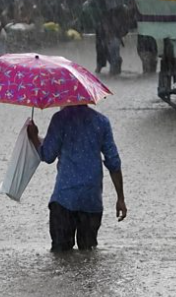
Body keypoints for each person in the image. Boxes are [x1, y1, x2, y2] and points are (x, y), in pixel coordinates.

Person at [26, 105, 127, 252]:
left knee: (61, 256)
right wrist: (120, 198)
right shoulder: (102, 122)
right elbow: (113, 162)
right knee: (88, 255)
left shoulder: (60, 119)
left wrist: (34, 136)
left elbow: (47, 155)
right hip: (91, 200)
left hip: (65, 199)